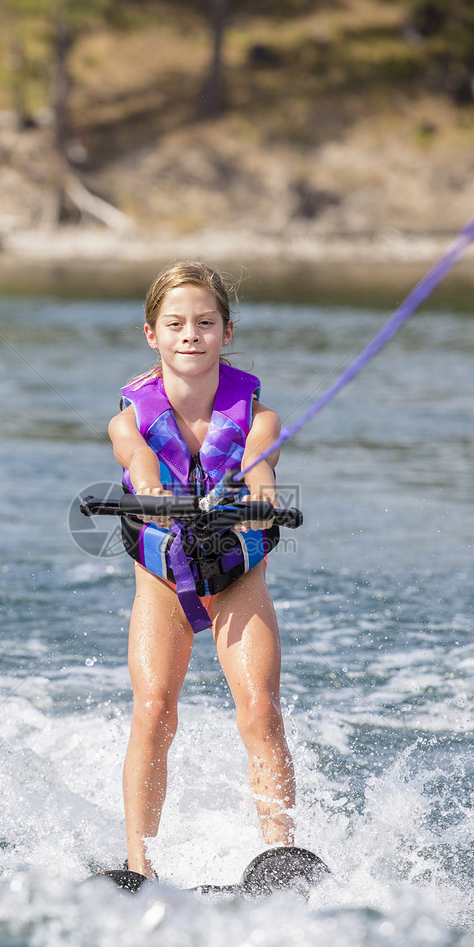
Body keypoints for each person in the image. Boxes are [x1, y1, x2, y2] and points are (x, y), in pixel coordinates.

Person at [108, 260, 296, 879]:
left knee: (260, 709)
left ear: (227, 332)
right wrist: (152, 491)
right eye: (176, 323)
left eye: (205, 323)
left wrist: (259, 494)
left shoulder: (259, 417)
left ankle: (279, 855)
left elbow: (260, 466)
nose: (191, 334)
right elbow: (137, 463)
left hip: (236, 575)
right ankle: (140, 865)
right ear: (152, 335)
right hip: (164, 579)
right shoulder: (129, 418)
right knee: (154, 706)